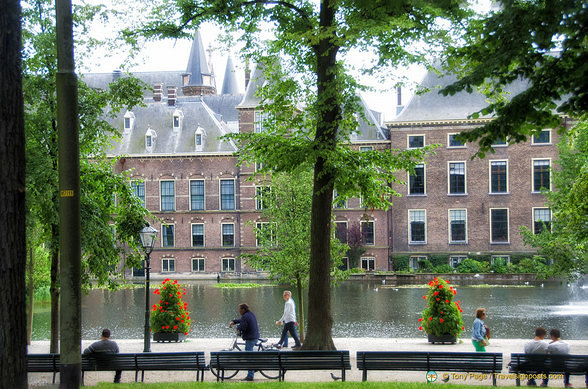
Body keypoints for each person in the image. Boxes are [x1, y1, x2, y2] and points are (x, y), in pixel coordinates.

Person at [229, 303, 260, 381]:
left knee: (248, 357)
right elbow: (242, 320)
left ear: (243, 310)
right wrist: (234, 321)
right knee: (250, 354)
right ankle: (253, 368)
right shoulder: (250, 314)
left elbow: (243, 326)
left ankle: (250, 376)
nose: (239, 311)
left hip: (250, 338)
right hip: (254, 336)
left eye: (240, 310)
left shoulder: (245, 316)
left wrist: (238, 327)